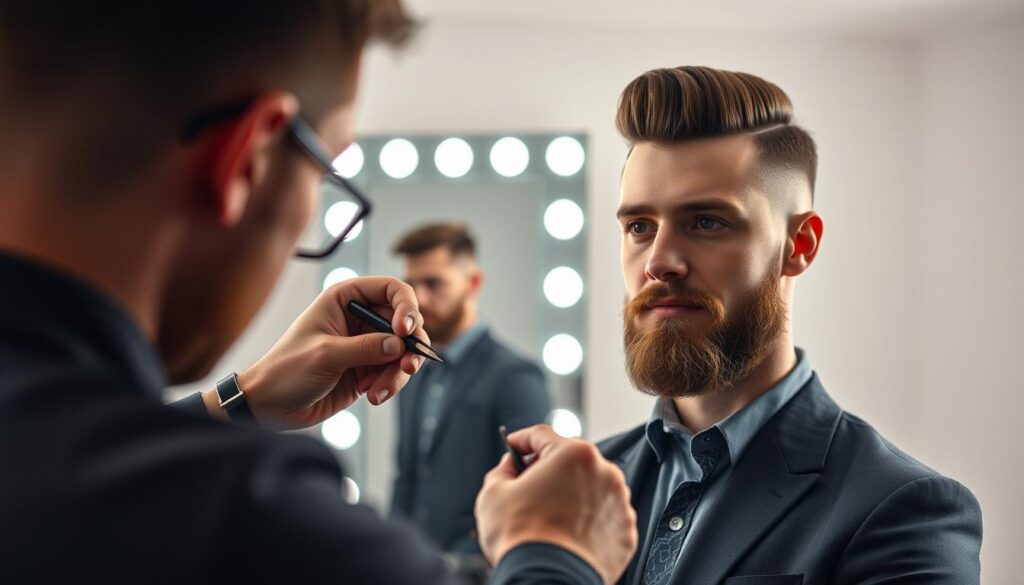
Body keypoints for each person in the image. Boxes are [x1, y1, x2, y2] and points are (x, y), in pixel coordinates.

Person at [0, 2, 637, 584]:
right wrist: (556, 555)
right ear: (246, 161)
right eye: (325, 173)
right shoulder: (251, 520)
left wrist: (239, 400)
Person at [597, 65, 983, 585]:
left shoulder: (902, 510)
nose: (659, 261)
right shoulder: (580, 486)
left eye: (706, 222)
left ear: (798, 245)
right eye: (639, 226)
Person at [389, 223, 550, 556]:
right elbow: (407, 479)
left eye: (433, 283)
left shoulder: (516, 377)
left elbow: (524, 495)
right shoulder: (411, 374)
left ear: (473, 283)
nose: (419, 299)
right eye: (411, 285)